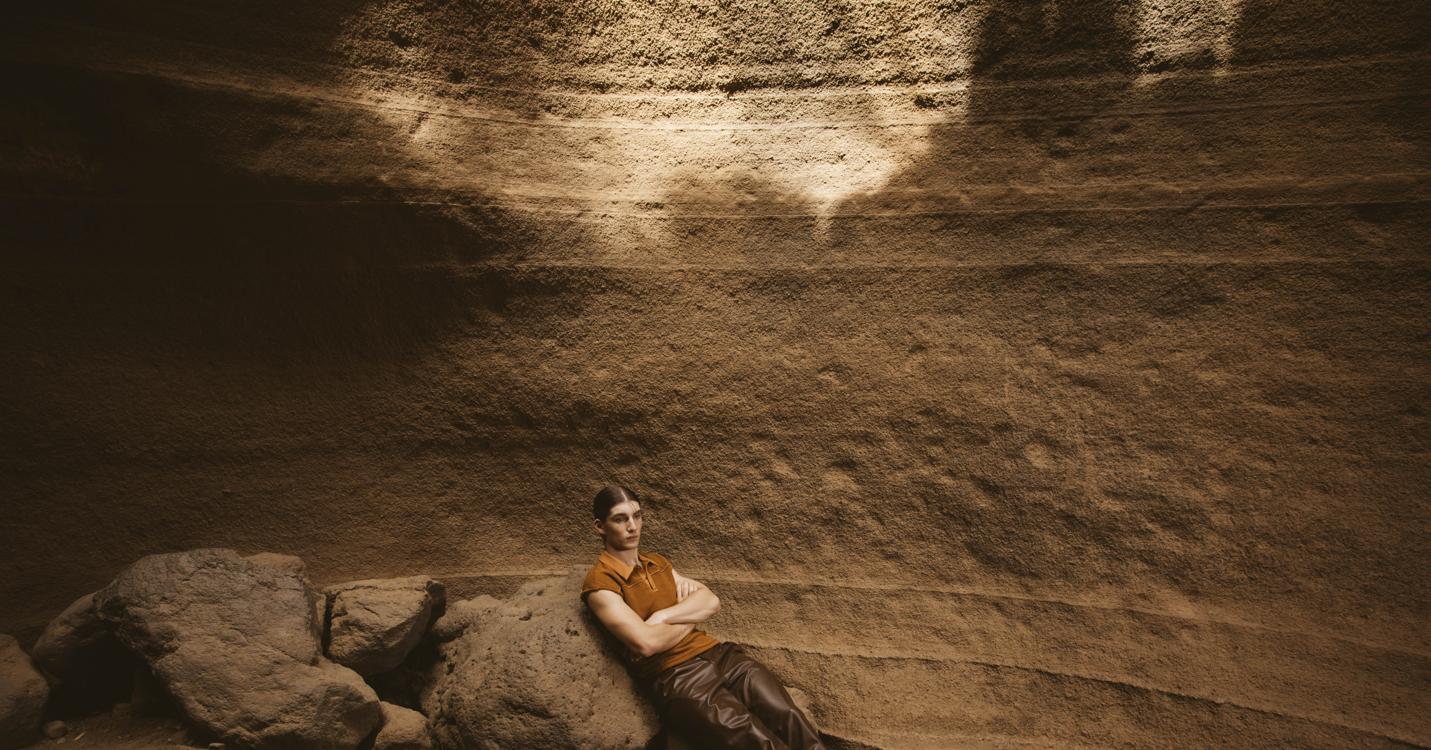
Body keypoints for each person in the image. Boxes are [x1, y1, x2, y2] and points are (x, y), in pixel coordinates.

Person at [580, 485, 826, 750]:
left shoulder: (658, 563)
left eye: (637, 516)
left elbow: (711, 601)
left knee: (789, 716)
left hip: (720, 656)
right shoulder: (601, 582)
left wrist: (663, 616)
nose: (632, 526)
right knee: (757, 741)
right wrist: (692, 615)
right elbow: (646, 643)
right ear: (600, 527)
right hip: (676, 676)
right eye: (620, 519)